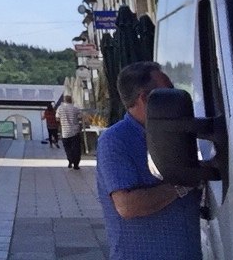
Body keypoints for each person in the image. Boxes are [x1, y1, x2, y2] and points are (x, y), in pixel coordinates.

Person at [94, 61, 201, 260]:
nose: (177, 97)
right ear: (145, 98)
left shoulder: (174, 134)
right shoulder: (115, 140)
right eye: (169, 92)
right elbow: (127, 206)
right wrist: (183, 184)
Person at [58, 93, 85, 170]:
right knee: (76, 149)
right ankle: (76, 164)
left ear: (64, 101)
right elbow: (80, 117)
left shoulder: (60, 108)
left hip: (65, 132)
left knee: (67, 148)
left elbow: (57, 118)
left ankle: (70, 160)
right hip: (74, 131)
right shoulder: (75, 108)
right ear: (71, 100)